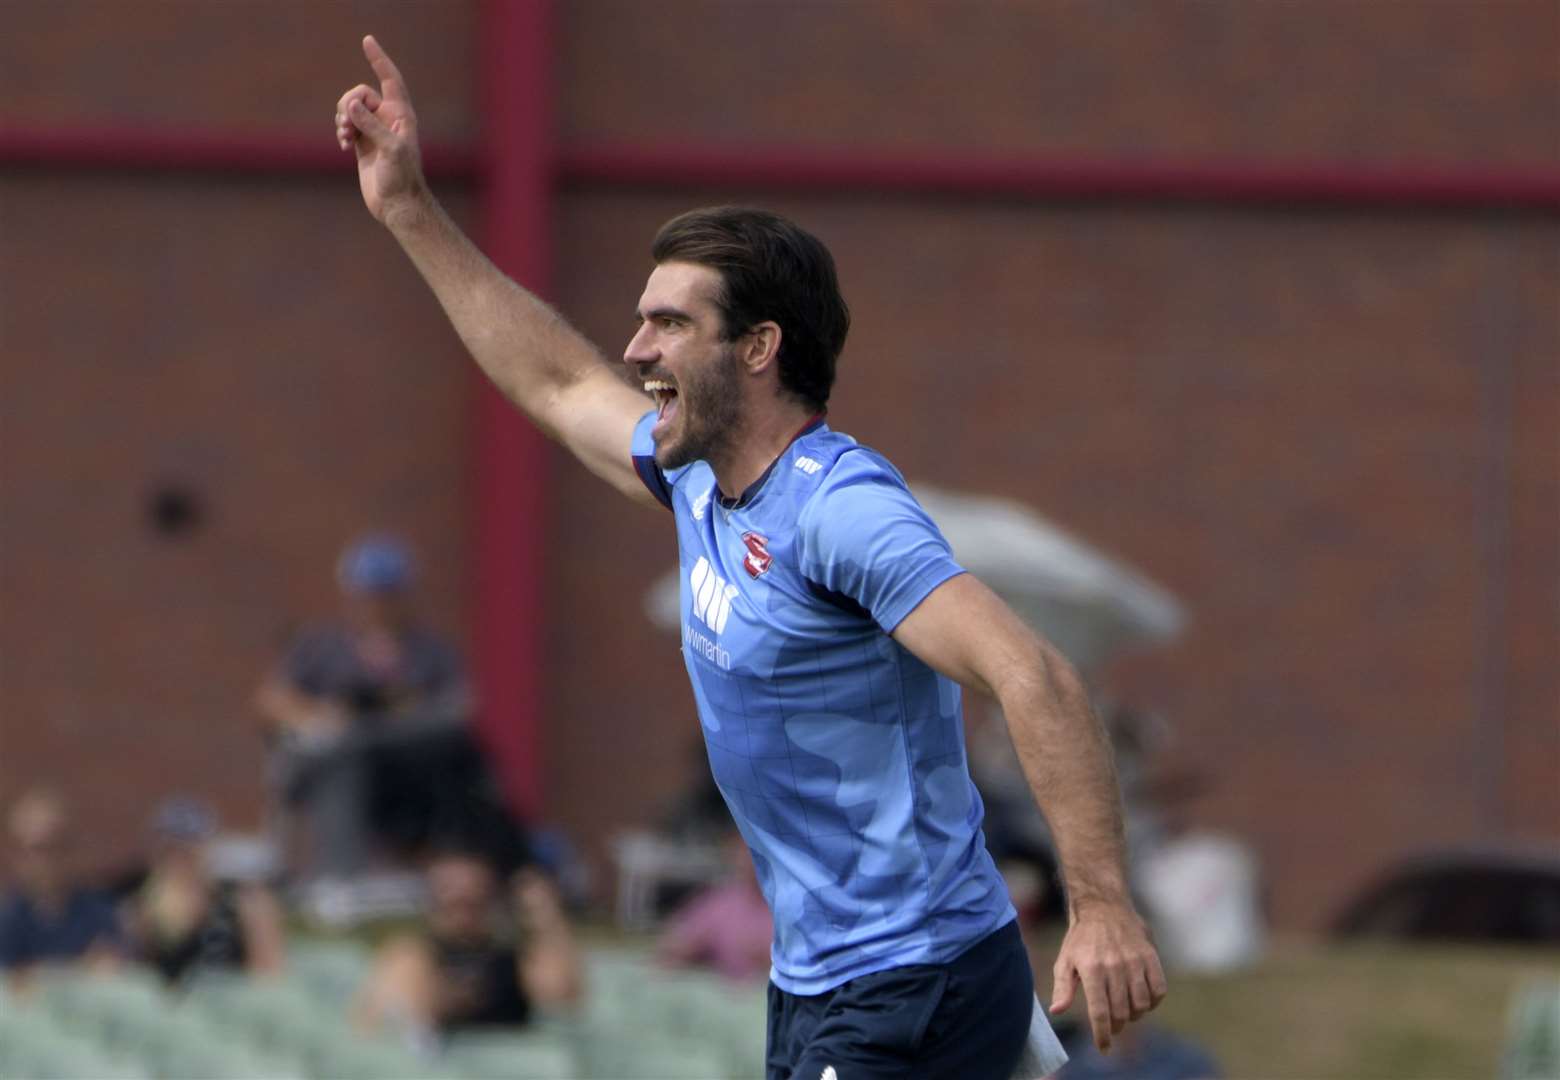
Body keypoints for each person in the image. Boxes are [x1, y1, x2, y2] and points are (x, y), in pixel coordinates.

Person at [333, 36, 1166, 1077]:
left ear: (759, 349)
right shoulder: (697, 475)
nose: (635, 350)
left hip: (914, 980)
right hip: (819, 984)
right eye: (641, 323)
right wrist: (410, 209)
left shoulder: (841, 512)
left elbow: (1031, 671)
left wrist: (1100, 907)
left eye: (669, 323)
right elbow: (555, 385)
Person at [255, 534, 474, 879]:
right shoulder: (322, 645)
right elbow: (271, 700)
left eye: (385, 595)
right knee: (346, 754)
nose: (375, 605)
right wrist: (318, 717)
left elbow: (458, 708)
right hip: (331, 756)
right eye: (367, 594)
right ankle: (341, 877)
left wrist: (401, 710)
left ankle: (436, 869)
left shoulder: (429, 651)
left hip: (404, 757)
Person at [352, 849, 582, 1043]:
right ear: (434, 902)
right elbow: (383, 1023)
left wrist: (546, 917)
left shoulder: (510, 962)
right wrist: (448, 999)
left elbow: (564, 995)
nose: (462, 910)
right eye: (452, 897)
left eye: (473, 901)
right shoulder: (412, 956)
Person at [122, 797, 286, 986]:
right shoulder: (133, 898)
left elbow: (269, 973)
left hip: (226, 1001)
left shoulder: (239, 899)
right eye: (171, 850)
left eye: (188, 850)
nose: (180, 860)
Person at [0, 789, 123, 992]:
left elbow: (114, 968)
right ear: (17, 853)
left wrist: (35, 974)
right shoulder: (8, 917)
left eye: (58, 844)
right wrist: (80, 969)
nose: (49, 859)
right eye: (38, 848)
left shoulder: (98, 911)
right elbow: (12, 987)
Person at [656, 825, 774, 982]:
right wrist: (685, 952)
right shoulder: (719, 903)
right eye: (744, 852)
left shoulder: (799, 907)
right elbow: (674, 947)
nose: (749, 861)